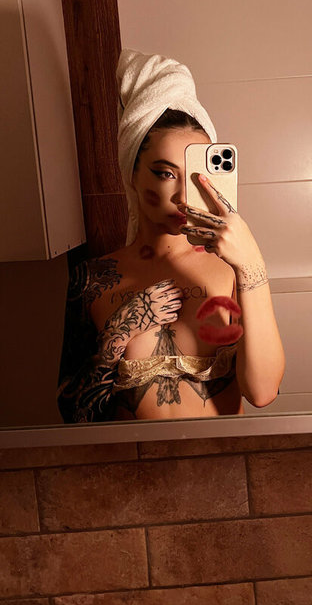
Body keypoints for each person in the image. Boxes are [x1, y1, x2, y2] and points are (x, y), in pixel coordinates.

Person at [57, 51, 285, 422]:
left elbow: (262, 393)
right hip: (134, 458)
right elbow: (74, 416)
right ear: (132, 174)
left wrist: (251, 265)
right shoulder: (93, 279)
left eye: (194, 176)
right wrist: (118, 332)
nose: (182, 195)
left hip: (224, 455)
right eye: (165, 173)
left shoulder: (230, 270)